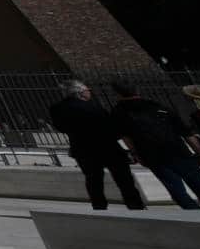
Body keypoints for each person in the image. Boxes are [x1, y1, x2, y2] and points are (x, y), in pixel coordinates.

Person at [108, 81, 200, 210]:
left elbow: (126, 137)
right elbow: (186, 132)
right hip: (179, 151)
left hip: (153, 156)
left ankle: (195, 213)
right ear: (138, 91)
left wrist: (136, 154)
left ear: (117, 94)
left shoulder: (118, 112)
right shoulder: (157, 106)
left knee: (177, 191)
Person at [46, 78, 145, 209]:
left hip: (82, 148)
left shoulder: (57, 108)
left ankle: (99, 206)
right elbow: (108, 125)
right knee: (124, 179)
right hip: (107, 146)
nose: (89, 92)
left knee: (93, 180)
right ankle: (134, 204)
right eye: (88, 90)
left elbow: (61, 127)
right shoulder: (92, 106)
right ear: (80, 92)